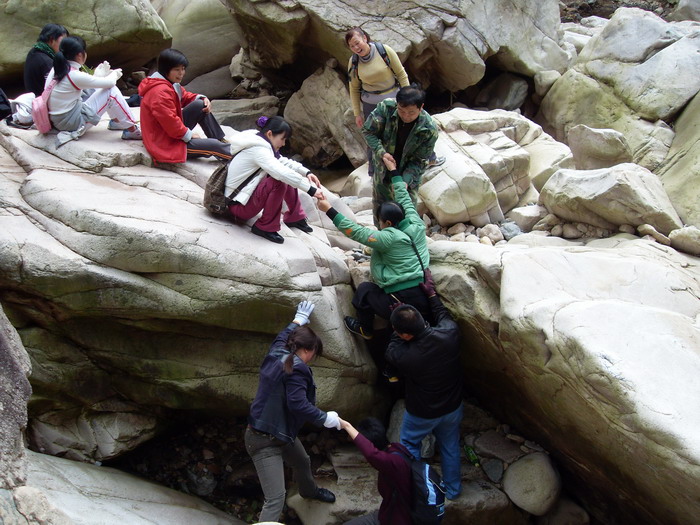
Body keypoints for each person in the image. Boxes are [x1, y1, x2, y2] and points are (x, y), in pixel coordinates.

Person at [245, 300, 340, 523]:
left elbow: (282, 335)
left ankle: (309, 492)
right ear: (307, 350)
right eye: (313, 353)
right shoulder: (297, 368)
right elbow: (297, 403)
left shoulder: (279, 349)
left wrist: (298, 320)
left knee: (302, 461)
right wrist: (325, 418)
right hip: (263, 440)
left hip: (281, 432)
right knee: (275, 498)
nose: (312, 358)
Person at [316, 155, 430, 340]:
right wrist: (393, 170)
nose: (380, 224)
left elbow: (355, 231)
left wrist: (328, 209)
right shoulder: (415, 223)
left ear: (388, 222)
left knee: (364, 291)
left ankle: (365, 329)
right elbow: (405, 198)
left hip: (401, 297)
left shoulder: (388, 237)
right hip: (424, 291)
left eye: (381, 222)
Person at [385, 272, 463, 500]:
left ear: (405, 335)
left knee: (410, 445)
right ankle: (453, 490)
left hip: (422, 412)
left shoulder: (403, 355)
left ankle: (418, 489)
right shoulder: (450, 334)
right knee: (450, 446)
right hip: (452, 408)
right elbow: (443, 315)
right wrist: (431, 294)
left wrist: (396, 326)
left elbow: (392, 348)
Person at [225, 116, 324, 244]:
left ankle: (295, 217)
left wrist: (306, 172)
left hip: (242, 199)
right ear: (270, 134)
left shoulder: (261, 142)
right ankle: (265, 227)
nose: (283, 144)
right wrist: (311, 190)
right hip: (238, 207)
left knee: (286, 175)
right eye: (282, 139)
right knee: (278, 181)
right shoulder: (259, 149)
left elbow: (281, 161)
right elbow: (280, 172)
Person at [138, 48, 232, 165]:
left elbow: (185, 96)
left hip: (168, 133)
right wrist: (188, 135)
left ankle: (220, 140)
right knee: (213, 146)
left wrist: (202, 98)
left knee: (200, 105)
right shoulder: (160, 92)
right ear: (165, 70)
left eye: (183, 69)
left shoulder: (169, 84)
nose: (181, 73)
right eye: (177, 70)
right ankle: (235, 155)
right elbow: (170, 122)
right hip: (165, 144)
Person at [46, 36, 141, 146]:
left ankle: (117, 122)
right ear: (80, 55)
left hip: (58, 119)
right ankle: (133, 131)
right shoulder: (73, 74)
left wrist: (98, 76)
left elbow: (87, 84)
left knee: (100, 89)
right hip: (70, 123)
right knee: (111, 91)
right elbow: (109, 84)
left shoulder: (57, 69)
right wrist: (113, 75)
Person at [363, 84, 439, 215]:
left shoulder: (429, 130)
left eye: (411, 113)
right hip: (383, 168)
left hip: (409, 173)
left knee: (407, 213)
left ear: (421, 107)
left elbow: (419, 160)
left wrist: (404, 181)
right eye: (401, 111)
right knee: (380, 209)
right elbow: (368, 132)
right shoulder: (386, 108)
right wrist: (382, 152)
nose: (406, 116)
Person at [345, 27, 409, 177]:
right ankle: (374, 170)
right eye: (352, 46)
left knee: (403, 129)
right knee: (373, 135)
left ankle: (422, 159)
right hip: (371, 103)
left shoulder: (384, 51)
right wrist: (357, 113)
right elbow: (354, 88)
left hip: (394, 97)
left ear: (365, 38)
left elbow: (401, 74)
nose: (356, 48)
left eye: (357, 43)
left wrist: (407, 98)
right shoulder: (353, 62)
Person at [340, 417, 413, 525]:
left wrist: (347, 426)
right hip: (389, 514)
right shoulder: (396, 448)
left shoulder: (392, 463)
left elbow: (371, 454)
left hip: (398, 520)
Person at [24, 23, 69, 97]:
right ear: (51, 40)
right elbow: (59, 88)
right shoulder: (46, 62)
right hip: (43, 104)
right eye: (63, 42)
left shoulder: (34, 52)